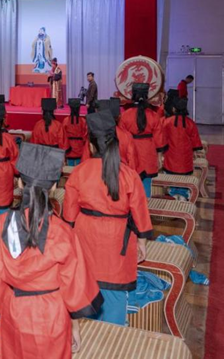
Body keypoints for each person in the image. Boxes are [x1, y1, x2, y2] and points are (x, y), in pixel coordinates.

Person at [0, 143, 102, 358]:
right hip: (51, 314)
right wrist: (74, 325)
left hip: (14, 310)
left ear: (19, 183)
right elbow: (74, 285)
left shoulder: (0, 225)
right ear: (54, 187)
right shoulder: (62, 232)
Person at [63, 110, 153, 326]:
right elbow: (140, 212)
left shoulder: (79, 172)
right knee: (115, 295)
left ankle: (89, 336)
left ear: (90, 145)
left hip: (86, 236)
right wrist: (142, 242)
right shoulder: (129, 174)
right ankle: (113, 338)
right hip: (118, 240)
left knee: (88, 289)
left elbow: (69, 215)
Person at [118, 83, 167, 197]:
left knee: (129, 182)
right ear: (147, 96)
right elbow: (159, 139)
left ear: (132, 95)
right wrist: (159, 157)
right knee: (146, 184)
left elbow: (121, 138)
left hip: (130, 152)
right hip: (148, 152)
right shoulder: (154, 115)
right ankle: (145, 205)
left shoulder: (125, 115)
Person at [162, 97, 203, 200]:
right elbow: (195, 140)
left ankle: (173, 194)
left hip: (171, 154)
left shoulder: (167, 122)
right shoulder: (190, 123)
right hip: (185, 156)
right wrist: (195, 152)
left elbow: (162, 138)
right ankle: (183, 195)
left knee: (172, 175)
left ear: (173, 109)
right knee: (184, 176)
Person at [97, 99, 139, 172]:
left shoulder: (94, 135)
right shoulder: (126, 135)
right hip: (120, 172)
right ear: (119, 116)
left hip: (98, 172)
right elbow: (132, 160)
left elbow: (86, 159)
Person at [64, 99, 89, 166]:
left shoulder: (66, 120)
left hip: (69, 148)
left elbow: (63, 136)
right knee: (79, 168)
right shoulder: (83, 121)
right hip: (80, 148)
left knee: (69, 169)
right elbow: (85, 136)